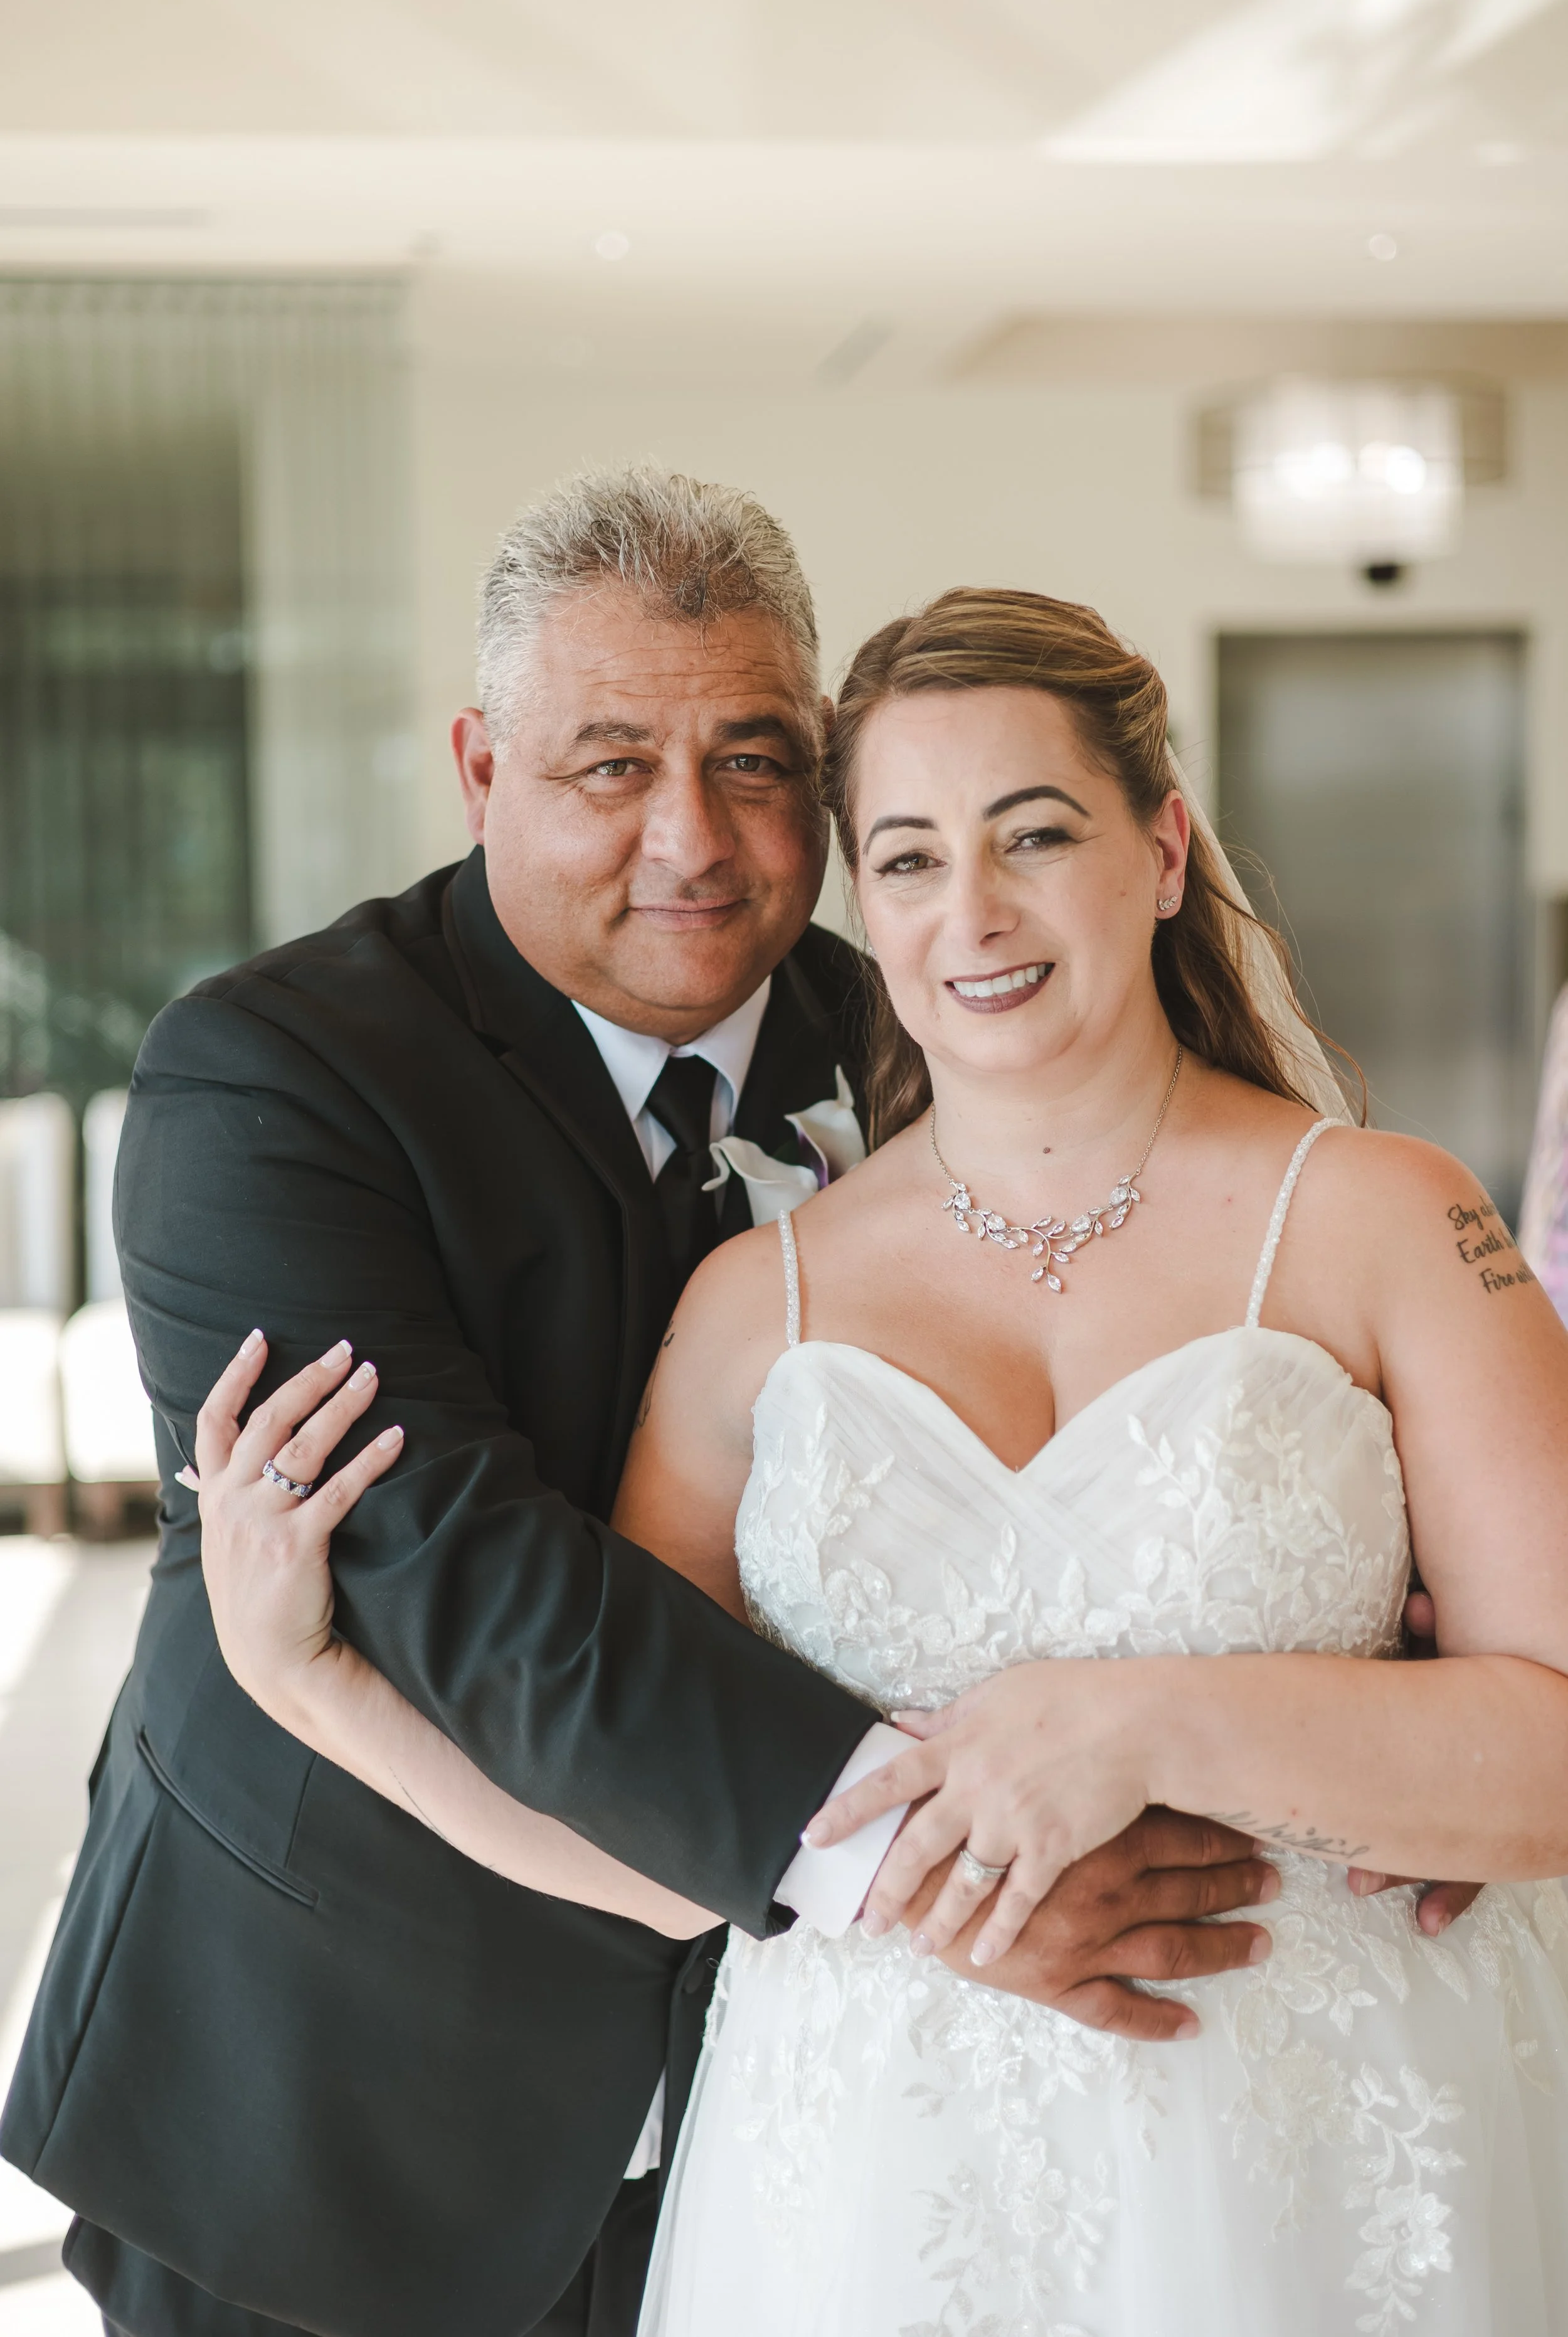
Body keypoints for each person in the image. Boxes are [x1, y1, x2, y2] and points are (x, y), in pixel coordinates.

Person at [184, 585, 1557, 2334]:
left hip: (1336, 2168)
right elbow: (653, 1818)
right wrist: (311, 1685)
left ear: (1158, 846)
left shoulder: (1386, 1217)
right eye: (904, 858)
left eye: (1032, 834)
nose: (968, 910)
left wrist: (1145, 1721)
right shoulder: (759, 1303)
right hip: (877, 2192)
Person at [0, 482, 1293, 2337]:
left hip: (787, 2106)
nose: (690, 837)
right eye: (609, 764)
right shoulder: (273, 1077)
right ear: (478, 767)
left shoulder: (906, 1032)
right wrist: (938, 1873)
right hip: (344, 2098)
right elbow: (456, 1572)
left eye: (755, 760)